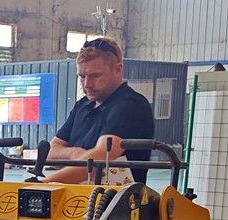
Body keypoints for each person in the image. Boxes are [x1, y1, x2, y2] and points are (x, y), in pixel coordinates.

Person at [45, 37, 154, 184]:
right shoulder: (82, 106)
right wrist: (73, 153)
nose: (87, 84)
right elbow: (51, 150)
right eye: (82, 77)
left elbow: (101, 157)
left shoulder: (131, 105)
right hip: (78, 194)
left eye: (95, 76)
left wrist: (43, 185)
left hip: (116, 197)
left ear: (118, 69)